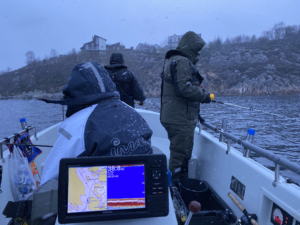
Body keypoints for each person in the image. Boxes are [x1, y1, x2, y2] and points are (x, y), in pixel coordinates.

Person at [40, 61, 153, 185]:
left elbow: (49, 178)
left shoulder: (76, 124)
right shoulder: (133, 112)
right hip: (142, 188)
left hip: (97, 197)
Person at [160, 31, 211, 180]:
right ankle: (176, 190)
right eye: (196, 52)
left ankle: (175, 184)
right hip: (180, 119)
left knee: (179, 153)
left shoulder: (173, 60)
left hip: (174, 116)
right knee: (181, 157)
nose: (197, 56)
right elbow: (185, 88)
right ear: (190, 50)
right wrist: (205, 96)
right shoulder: (182, 61)